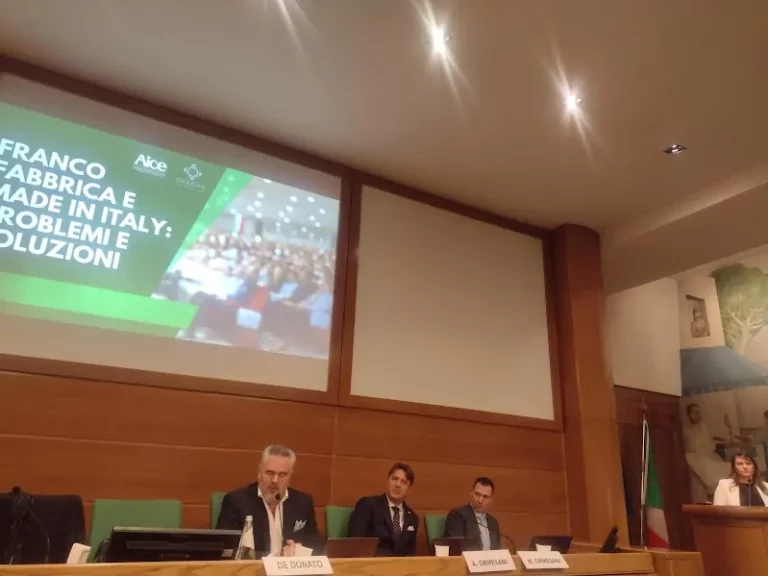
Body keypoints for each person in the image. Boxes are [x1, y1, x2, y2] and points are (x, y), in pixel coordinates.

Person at [216, 444, 322, 556]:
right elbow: (227, 550)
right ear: (259, 473)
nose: (275, 480)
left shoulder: (303, 502)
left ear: (290, 477)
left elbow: (317, 547)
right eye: (270, 473)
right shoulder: (236, 502)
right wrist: (276, 557)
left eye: (282, 475)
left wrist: (298, 551)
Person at [348, 463, 419, 556]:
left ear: (409, 489)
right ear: (388, 482)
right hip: (372, 562)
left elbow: (411, 554)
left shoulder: (412, 518)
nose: (397, 484)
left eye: (404, 482)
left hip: (401, 564)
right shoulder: (368, 505)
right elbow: (356, 543)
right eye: (394, 479)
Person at [683, 403, 731, 495]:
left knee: (724, 468)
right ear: (689, 415)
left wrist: (727, 431)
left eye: (699, 412)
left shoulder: (705, 428)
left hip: (709, 456)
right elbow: (690, 448)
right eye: (695, 412)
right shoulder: (686, 432)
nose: (698, 415)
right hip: (697, 458)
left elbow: (717, 439)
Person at [445, 477, 501, 550]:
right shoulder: (457, 515)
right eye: (477, 494)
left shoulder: (493, 522)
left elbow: (497, 549)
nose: (480, 500)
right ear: (471, 493)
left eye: (485, 497)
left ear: (491, 499)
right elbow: (457, 547)